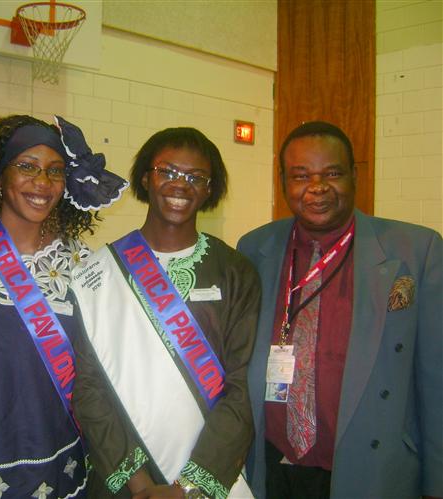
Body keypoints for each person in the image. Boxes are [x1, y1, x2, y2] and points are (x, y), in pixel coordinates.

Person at [0, 114, 127, 498]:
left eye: (55, 171)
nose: (42, 183)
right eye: (27, 167)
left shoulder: (81, 264)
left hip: (58, 454)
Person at [237, 121, 442, 499]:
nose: (317, 187)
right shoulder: (254, 248)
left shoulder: (415, 250)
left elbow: (436, 378)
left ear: (354, 175)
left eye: (332, 173)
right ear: (283, 181)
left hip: (370, 469)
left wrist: (436, 484)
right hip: (272, 466)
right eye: (300, 175)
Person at [70, 127, 260, 498]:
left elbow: (243, 388)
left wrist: (188, 488)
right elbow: (88, 387)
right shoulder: (96, 273)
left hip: (208, 480)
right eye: (168, 171)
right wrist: (139, 484)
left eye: (195, 177)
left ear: (210, 189)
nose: (180, 185)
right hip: (122, 479)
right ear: (146, 177)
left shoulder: (236, 272)